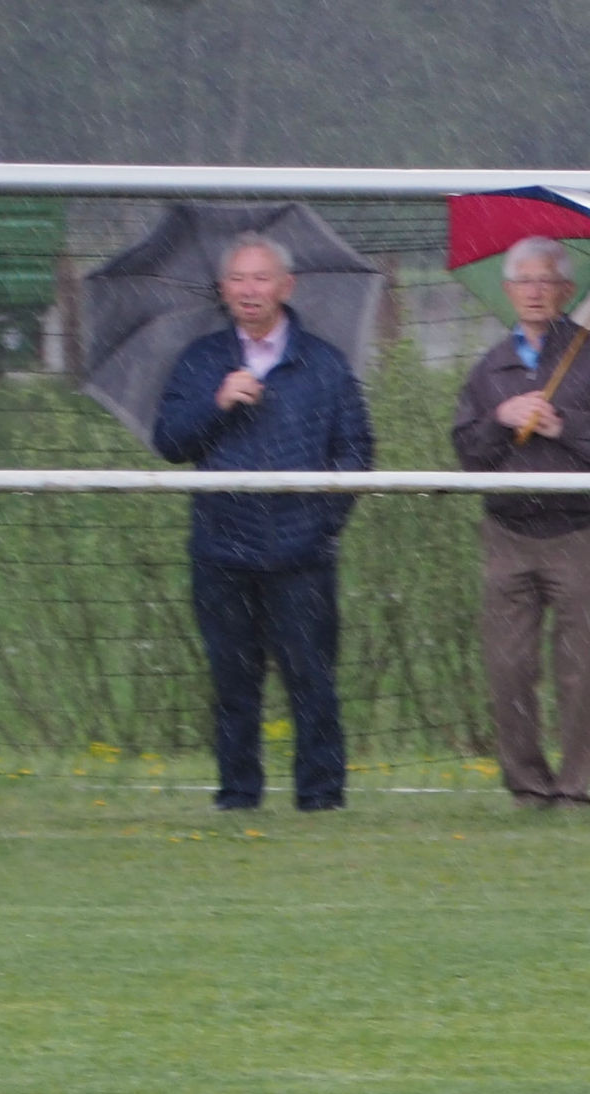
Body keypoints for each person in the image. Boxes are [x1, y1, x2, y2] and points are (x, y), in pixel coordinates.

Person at [153, 233, 374, 812]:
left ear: (286, 286)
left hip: (303, 556)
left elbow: (356, 451)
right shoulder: (201, 360)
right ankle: (238, 795)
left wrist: (321, 522)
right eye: (237, 279)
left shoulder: (324, 363)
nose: (248, 290)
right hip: (220, 552)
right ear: (223, 290)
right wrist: (217, 403)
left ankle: (321, 797)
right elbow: (170, 441)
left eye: (260, 278)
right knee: (233, 684)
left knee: (312, 681)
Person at [453, 237, 590, 809]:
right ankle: (527, 785)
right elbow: (467, 450)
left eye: (546, 281)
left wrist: (564, 425)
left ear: (566, 290)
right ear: (508, 290)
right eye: (524, 281)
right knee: (508, 667)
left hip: (583, 533)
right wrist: (501, 418)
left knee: (581, 670)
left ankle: (572, 788)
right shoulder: (490, 367)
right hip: (507, 535)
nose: (535, 291)